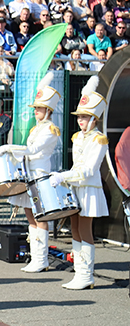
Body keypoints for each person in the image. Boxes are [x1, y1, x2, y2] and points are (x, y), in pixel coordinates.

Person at [0, 72, 60, 272]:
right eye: (36, 108)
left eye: (39, 108)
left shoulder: (50, 130)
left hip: (39, 176)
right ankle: (36, 258)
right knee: (30, 216)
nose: (35, 111)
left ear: (48, 110)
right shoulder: (36, 129)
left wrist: (8, 147)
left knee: (40, 218)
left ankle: (42, 260)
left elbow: (32, 151)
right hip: (28, 176)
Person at [50, 76, 109, 290]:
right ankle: (79, 273)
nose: (80, 120)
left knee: (85, 230)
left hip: (89, 189)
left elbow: (89, 170)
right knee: (74, 228)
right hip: (76, 188)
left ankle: (87, 275)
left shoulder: (99, 139)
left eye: (85, 117)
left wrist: (64, 176)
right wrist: (65, 177)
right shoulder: (78, 137)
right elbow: (76, 167)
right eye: (79, 117)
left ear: (94, 118)